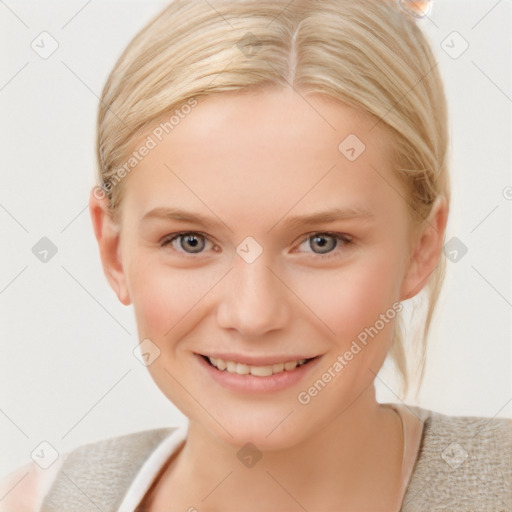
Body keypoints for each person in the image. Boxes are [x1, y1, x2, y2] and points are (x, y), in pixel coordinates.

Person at [1, 0, 510, 510]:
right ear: (113, 251)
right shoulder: (41, 499)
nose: (253, 315)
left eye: (322, 242)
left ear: (421, 248)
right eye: (191, 241)